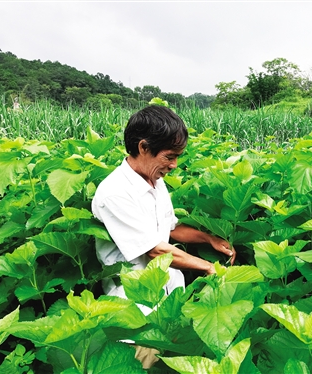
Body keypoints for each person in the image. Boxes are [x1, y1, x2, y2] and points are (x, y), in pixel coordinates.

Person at [91, 105, 235, 368]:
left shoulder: (155, 181)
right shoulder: (115, 192)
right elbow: (155, 250)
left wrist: (208, 239)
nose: (174, 165)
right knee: (143, 365)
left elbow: (168, 229)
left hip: (169, 297)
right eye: (170, 156)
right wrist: (208, 267)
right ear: (143, 147)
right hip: (137, 310)